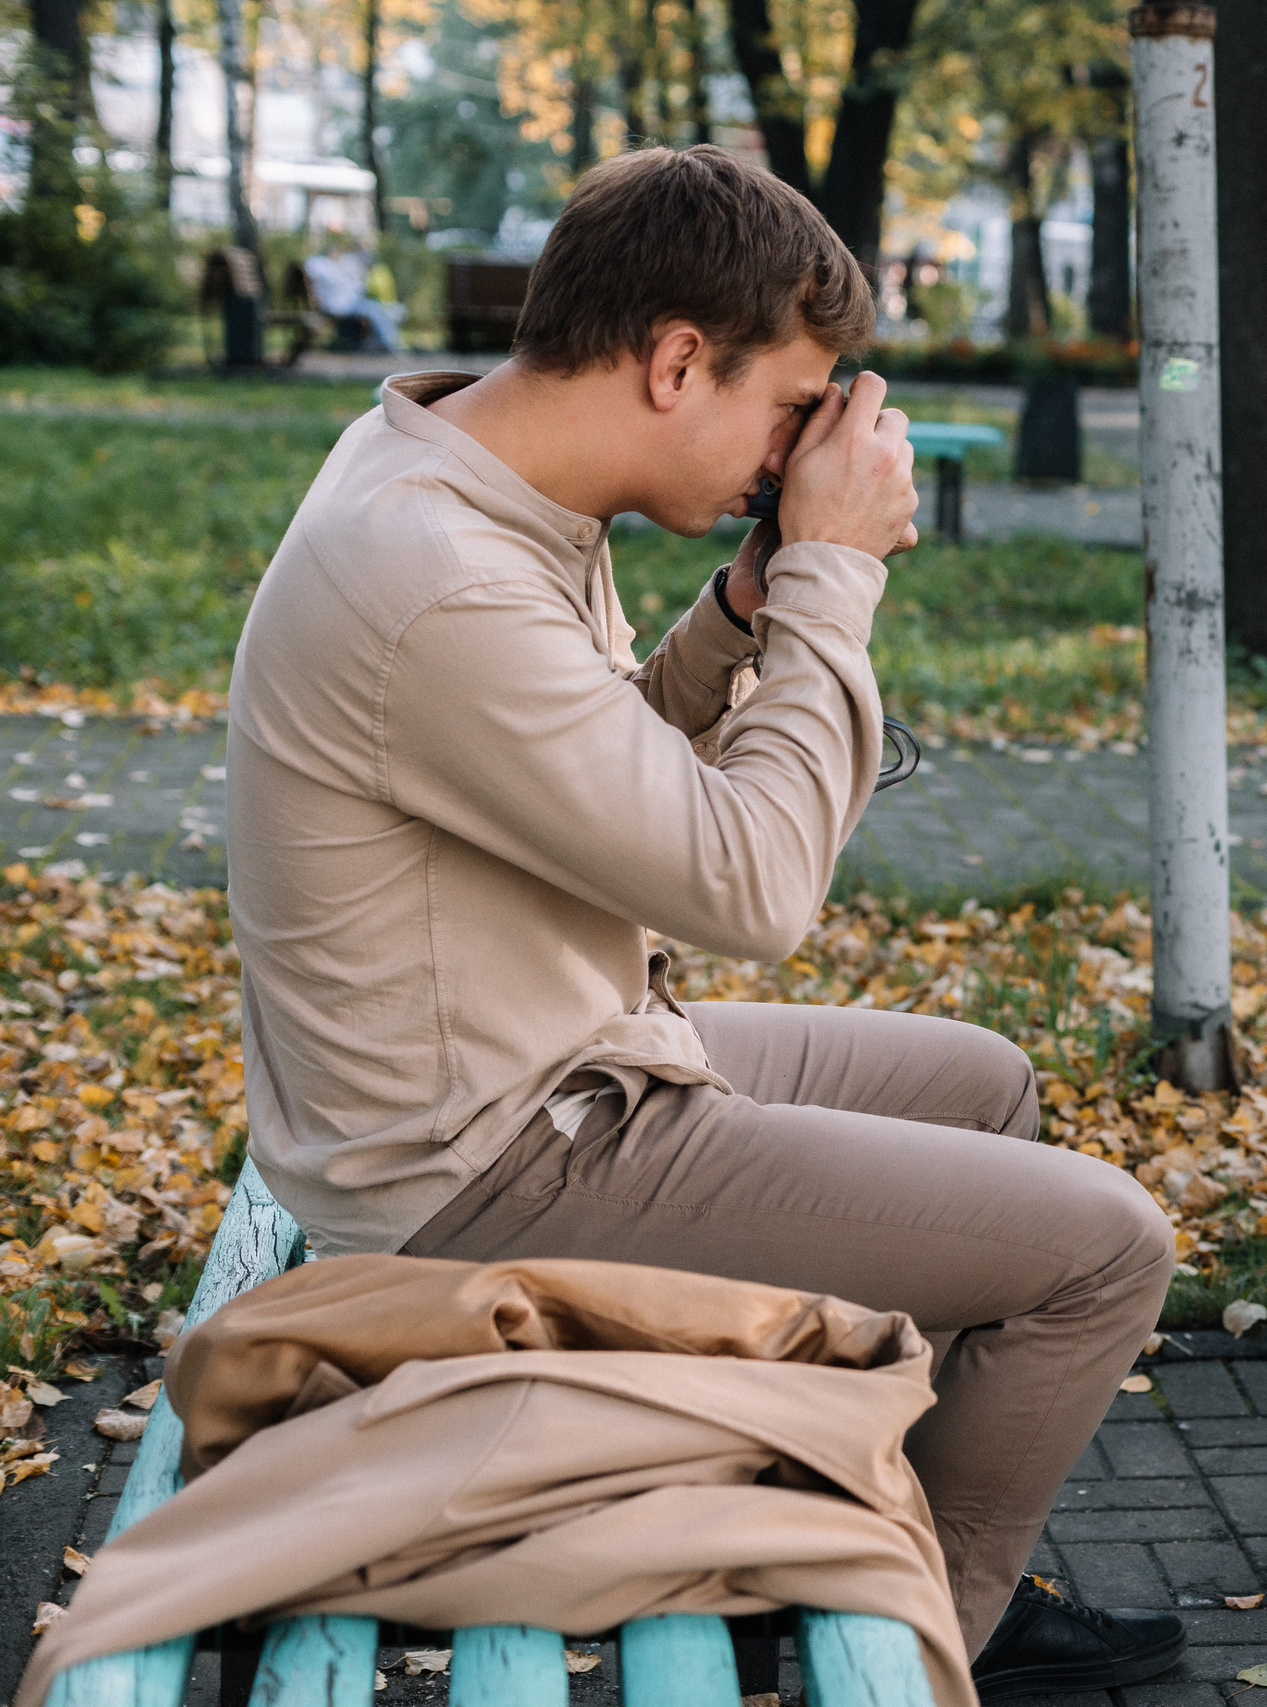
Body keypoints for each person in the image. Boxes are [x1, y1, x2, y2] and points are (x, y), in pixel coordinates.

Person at [225, 145, 1184, 1702]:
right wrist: (828, 581)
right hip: (479, 1164)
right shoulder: (440, 575)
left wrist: (738, 615)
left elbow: (602, 766)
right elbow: (748, 888)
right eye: (789, 405)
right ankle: (930, 1634)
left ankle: (850, 1550)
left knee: (987, 1084)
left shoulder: (481, 478)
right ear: (677, 358)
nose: (790, 448)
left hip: (563, 1056)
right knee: (1103, 1248)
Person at [302, 241, 404, 352]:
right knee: (377, 310)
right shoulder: (322, 266)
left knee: (380, 309)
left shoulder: (333, 266)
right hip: (343, 305)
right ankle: (391, 345)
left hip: (344, 304)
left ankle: (383, 344)